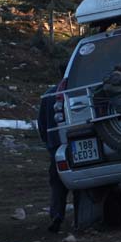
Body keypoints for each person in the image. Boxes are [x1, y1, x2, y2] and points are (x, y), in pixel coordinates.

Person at [38, 80, 69, 233]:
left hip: (56, 145)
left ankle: (57, 214)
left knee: (57, 182)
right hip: (79, 139)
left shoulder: (49, 94)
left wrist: (48, 142)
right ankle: (82, 216)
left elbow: (41, 123)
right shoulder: (79, 86)